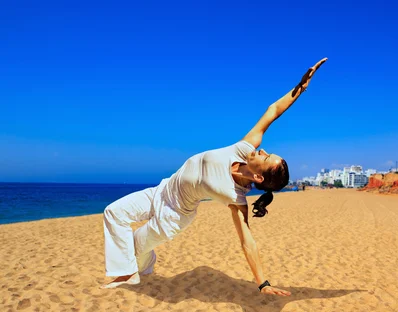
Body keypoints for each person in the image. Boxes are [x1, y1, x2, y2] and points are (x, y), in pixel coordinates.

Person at [102, 58, 328, 296]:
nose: (262, 150)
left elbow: (247, 242)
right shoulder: (244, 148)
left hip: (174, 215)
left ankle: (129, 274)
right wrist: (301, 87)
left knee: (136, 244)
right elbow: (273, 110)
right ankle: (143, 267)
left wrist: (263, 283)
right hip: (163, 190)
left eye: (266, 156)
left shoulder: (235, 196)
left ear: (259, 178)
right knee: (113, 213)